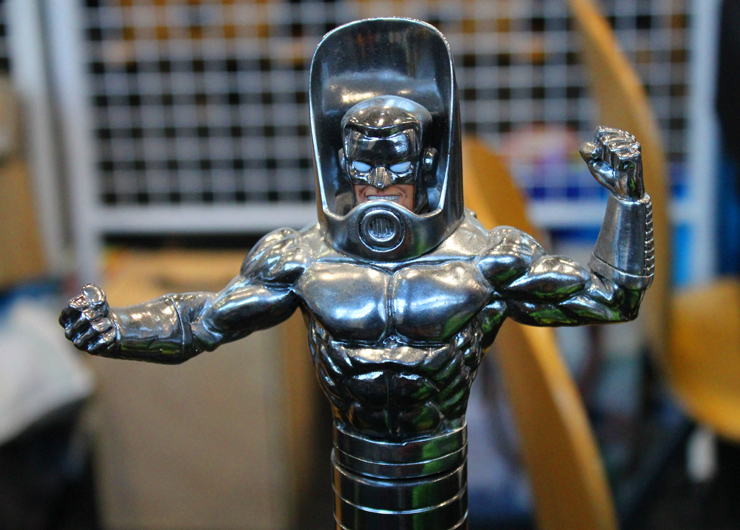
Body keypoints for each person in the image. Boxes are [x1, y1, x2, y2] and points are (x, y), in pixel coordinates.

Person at [60, 18, 653, 530]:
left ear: (427, 162)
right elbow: (203, 322)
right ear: (341, 163)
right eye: (364, 166)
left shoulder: (486, 257)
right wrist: (118, 329)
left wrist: (628, 200)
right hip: (350, 478)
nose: (378, 182)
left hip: (443, 476)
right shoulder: (300, 258)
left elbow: (611, 297)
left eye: (394, 163)